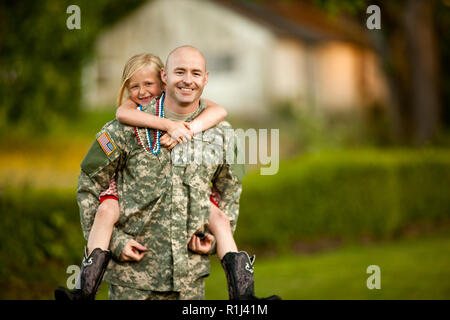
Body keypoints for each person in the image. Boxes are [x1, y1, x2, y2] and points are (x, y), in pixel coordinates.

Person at [57, 46, 278, 300]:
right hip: (132, 284)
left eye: (195, 73)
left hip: (189, 285)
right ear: (165, 76)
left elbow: (230, 188)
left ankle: (244, 298)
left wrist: (212, 239)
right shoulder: (126, 127)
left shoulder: (222, 134)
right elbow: (89, 183)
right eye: (180, 72)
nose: (187, 80)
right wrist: (115, 241)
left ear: (205, 79)